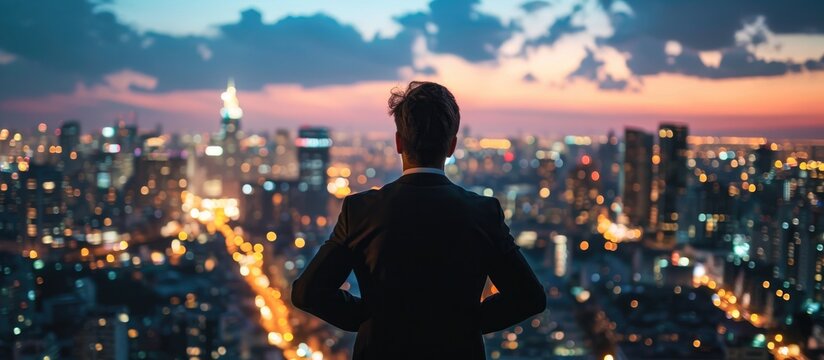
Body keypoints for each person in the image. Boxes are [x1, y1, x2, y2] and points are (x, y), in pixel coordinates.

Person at [291, 81, 545, 359]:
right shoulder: (483, 213)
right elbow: (529, 297)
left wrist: (369, 318)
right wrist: (464, 325)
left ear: (399, 142)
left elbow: (308, 293)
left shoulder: (361, 210)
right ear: (451, 146)